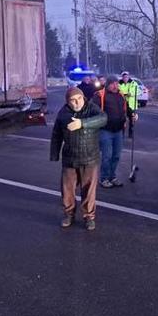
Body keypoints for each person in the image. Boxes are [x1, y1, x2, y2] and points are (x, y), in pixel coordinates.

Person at [50, 87, 107, 231]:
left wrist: (82, 123)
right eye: (73, 100)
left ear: (83, 98)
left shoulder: (91, 108)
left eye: (79, 99)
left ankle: (89, 217)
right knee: (67, 190)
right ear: (68, 102)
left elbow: (103, 119)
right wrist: (54, 154)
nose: (77, 102)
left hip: (90, 158)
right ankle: (69, 214)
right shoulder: (63, 113)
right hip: (70, 158)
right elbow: (56, 135)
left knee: (88, 190)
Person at [94, 76, 136, 188]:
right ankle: (104, 178)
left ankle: (112, 176)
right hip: (105, 130)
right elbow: (93, 110)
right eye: (112, 84)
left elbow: (126, 108)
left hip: (118, 130)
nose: (115, 86)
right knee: (107, 156)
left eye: (117, 83)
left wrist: (132, 115)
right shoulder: (100, 95)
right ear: (107, 84)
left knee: (116, 155)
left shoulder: (120, 95)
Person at [118, 71, 140, 137]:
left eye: (127, 77)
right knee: (122, 119)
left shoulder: (133, 83)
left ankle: (131, 133)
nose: (125, 78)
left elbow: (137, 91)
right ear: (122, 77)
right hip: (122, 104)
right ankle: (122, 134)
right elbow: (118, 91)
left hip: (131, 104)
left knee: (132, 119)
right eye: (124, 77)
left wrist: (130, 93)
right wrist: (123, 95)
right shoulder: (119, 84)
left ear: (128, 77)